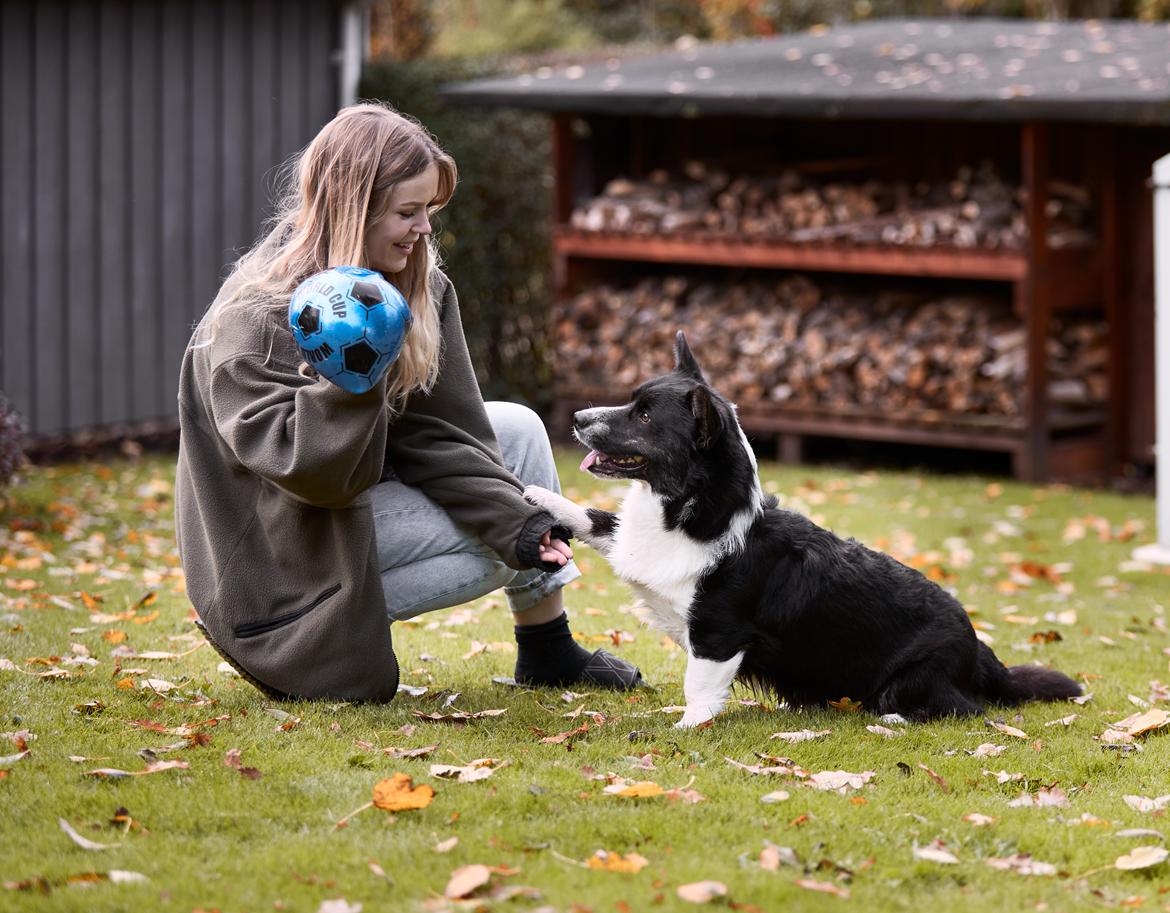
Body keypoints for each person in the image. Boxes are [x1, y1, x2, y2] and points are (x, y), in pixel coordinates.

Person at [174, 102, 641, 701]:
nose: (424, 229)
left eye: (429, 210)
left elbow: (438, 435)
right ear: (352, 207)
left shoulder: (410, 284)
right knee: (501, 549)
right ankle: (310, 649)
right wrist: (351, 370)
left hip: (345, 514)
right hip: (276, 571)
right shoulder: (257, 313)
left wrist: (518, 525)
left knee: (519, 435)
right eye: (407, 211)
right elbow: (311, 477)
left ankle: (547, 648)